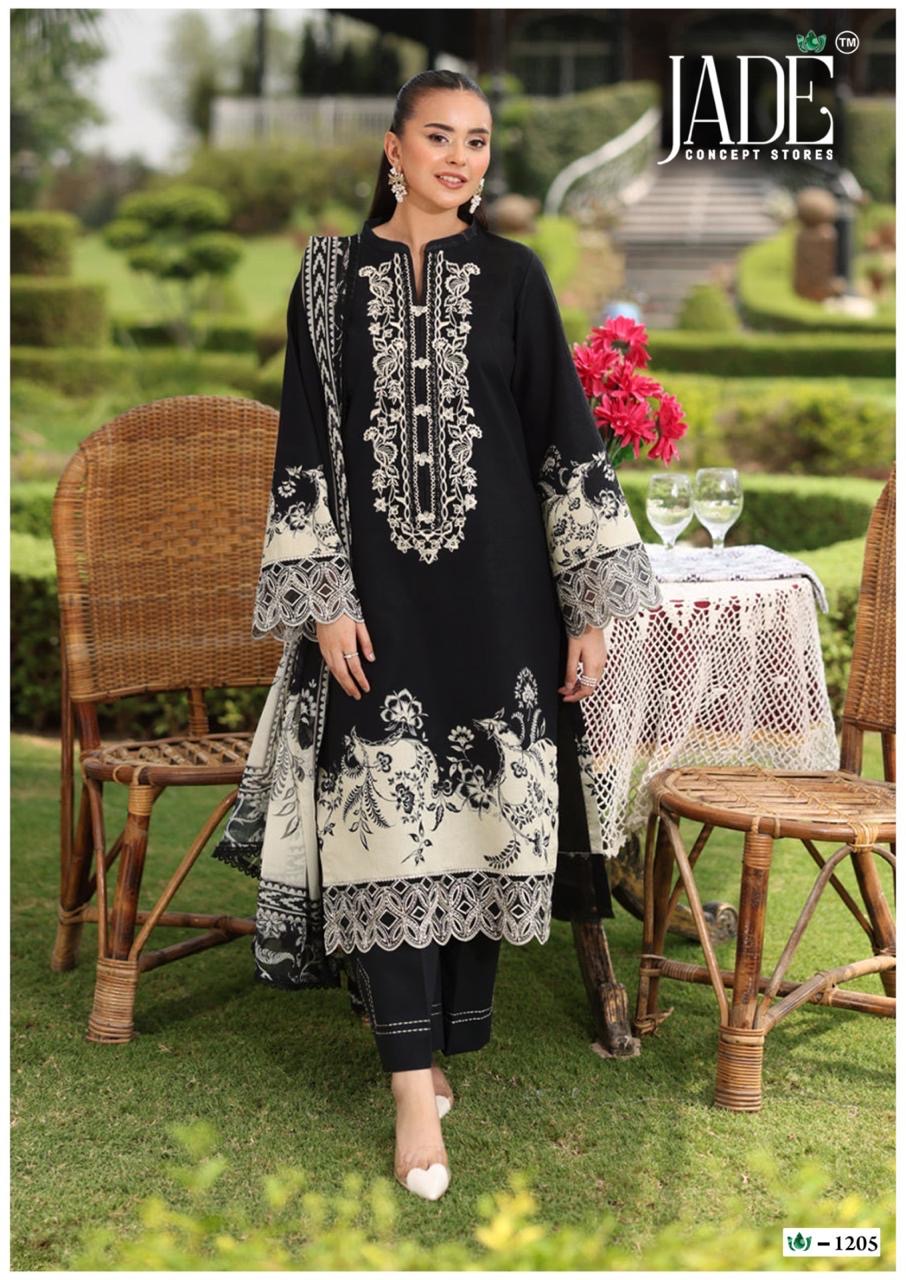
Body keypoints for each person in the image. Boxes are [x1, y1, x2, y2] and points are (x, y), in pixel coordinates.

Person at [212, 69, 662, 1202]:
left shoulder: (515, 276)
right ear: (393, 147)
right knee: (382, 820)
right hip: (377, 604)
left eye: (478, 141)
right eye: (439, 137)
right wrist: (324, 596)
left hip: (505, 602)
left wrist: (588, 607)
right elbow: (304, 437)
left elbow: (563, 437)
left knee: (480, 818)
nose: (461, 159)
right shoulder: (327, 278)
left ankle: (442, 1042)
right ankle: (411, 1084)